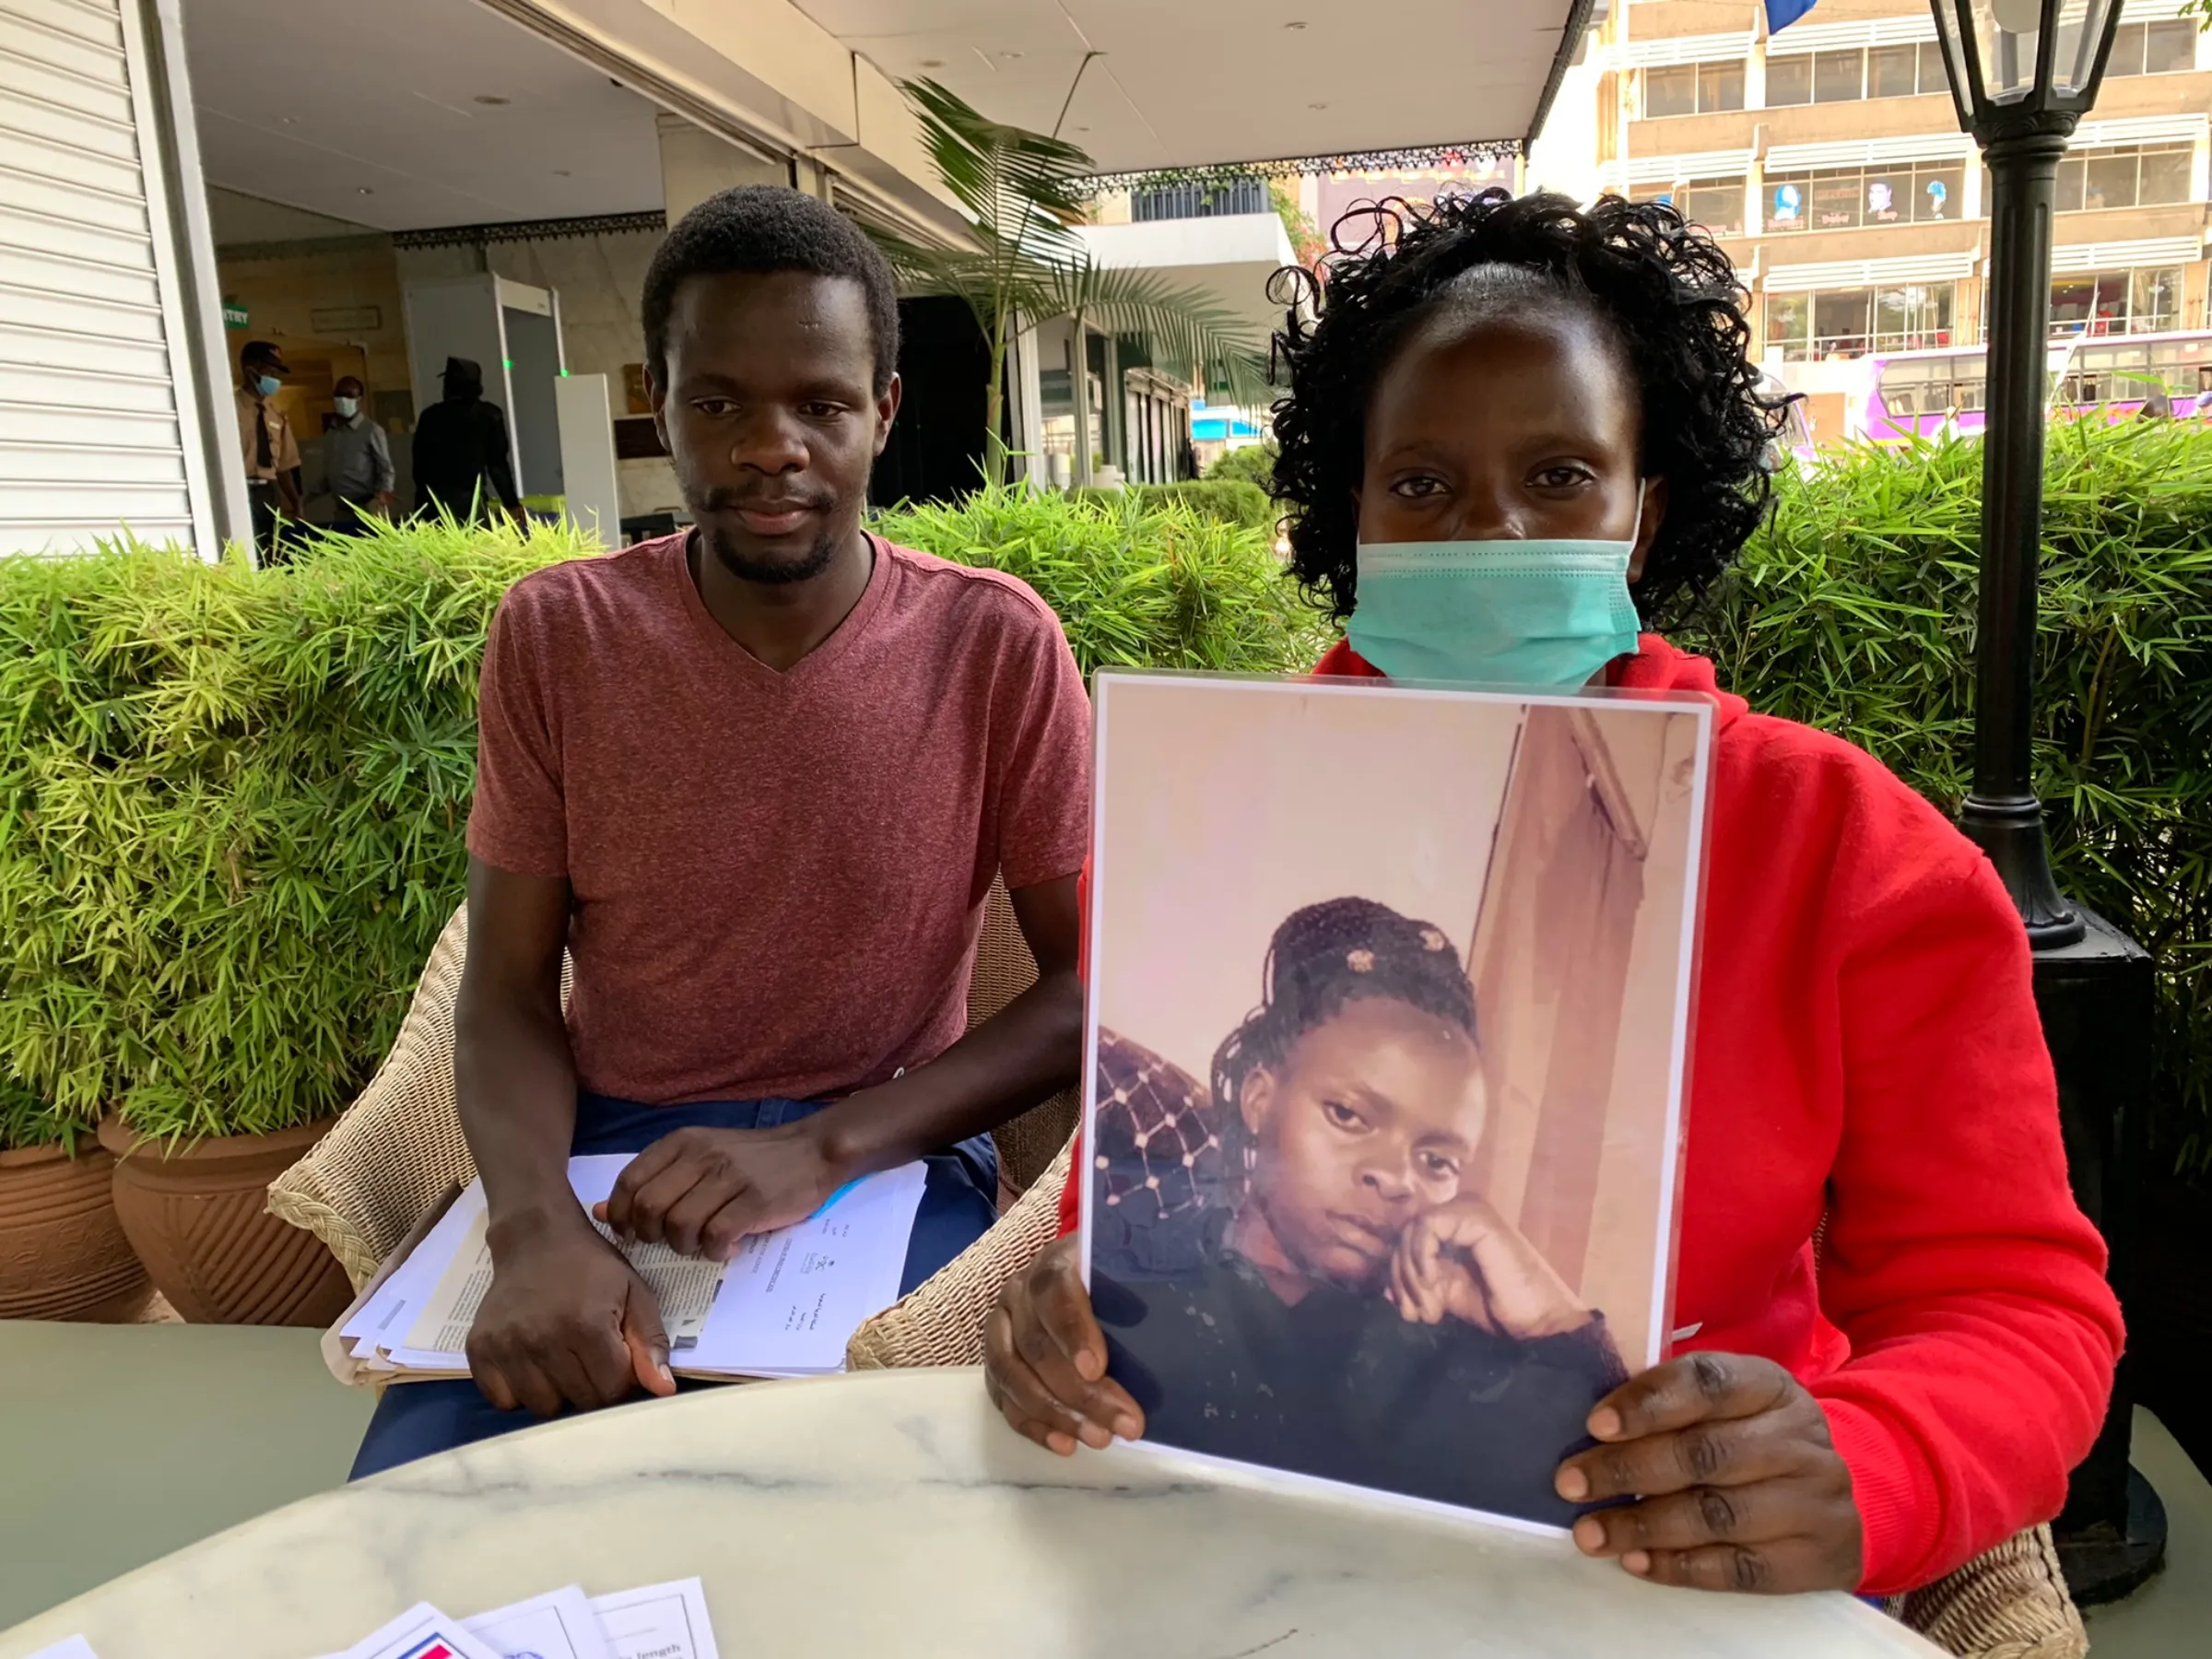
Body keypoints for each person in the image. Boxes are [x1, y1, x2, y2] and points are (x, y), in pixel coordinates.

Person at [985, 190, 2123, 1601]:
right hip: (1238, 1546)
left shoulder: (1847, 851)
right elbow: (1130, 1223)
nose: (1492, 531)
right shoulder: (1194, 798)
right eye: (1423, 485)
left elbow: (2016, 1305)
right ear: (1356, 513)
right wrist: (1073, 1306)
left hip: (1669, 1570)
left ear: (1644, 516)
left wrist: (1867, 1459)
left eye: (1561, 477)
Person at [349, 184, 1091, 1476]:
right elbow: (508, 989)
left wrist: (822, 1144)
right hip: (606, 1163)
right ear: (660, 398)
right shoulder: (559, 638)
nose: (772, 446)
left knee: (857, 1512)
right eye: (720, 403)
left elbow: (1098, 980)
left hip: (884, 1160)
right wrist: (532, 1226)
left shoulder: (992, 645)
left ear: (885, 412)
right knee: (435, 1508)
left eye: (821, 404)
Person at [1093, 897, 1625, 1527]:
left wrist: (1551, 1323)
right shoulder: (1134, 1272)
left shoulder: (1451, 1349)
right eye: (1349, 1115)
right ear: (1263, 1100)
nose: (1396, 1178)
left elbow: (1602, 1509)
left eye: (1437, 1161)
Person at [412, 356, 523, 524]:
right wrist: (511, 503)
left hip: (431, 504)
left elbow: (419, 468)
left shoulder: (429, 416)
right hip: (470, 504)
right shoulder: (489, 415)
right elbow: (497, 465)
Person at [234, 339, 300, 559]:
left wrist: (296, 502)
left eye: (277, 373)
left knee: (272, 554)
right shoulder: (229, 408)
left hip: (269, 492)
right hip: (239, 488)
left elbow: (284, 466)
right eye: (270, 371)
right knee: (244, 552)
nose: (275, 379)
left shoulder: (276, 415)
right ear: (250, 370)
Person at [324, 376, 395, 534]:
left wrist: (383, 496)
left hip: (369, 506)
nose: (343, 400)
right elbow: (331, 471)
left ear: (359, 399)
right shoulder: (333, 433)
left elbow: (386, 467)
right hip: (342, 509)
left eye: (349, 396)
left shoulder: (371, 430)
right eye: (339, 395)